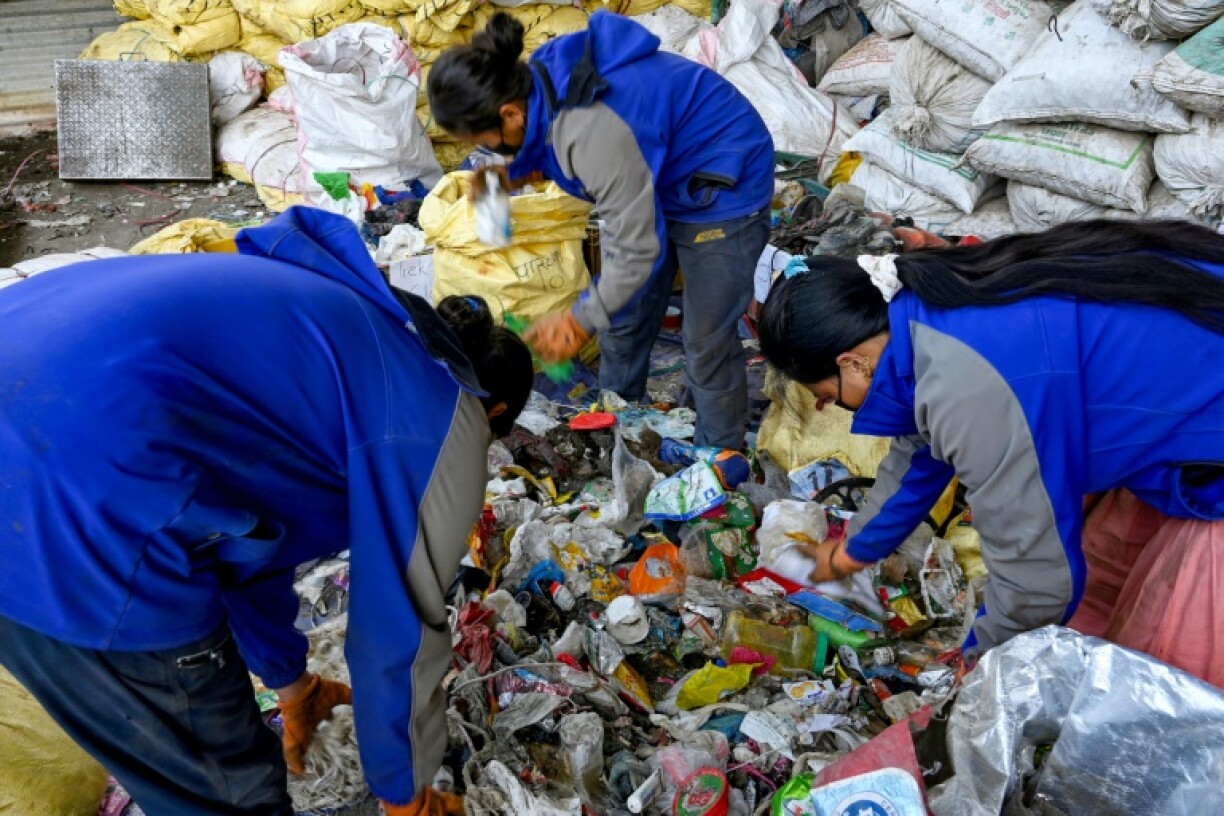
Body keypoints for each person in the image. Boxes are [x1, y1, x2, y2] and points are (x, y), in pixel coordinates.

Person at [0, 207, 533, 815]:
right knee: (229, 792)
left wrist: (291, 681)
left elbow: (246, 539)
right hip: (71, 500)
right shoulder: (441, 417)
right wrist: (407, 793)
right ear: (493, 415)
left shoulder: (347, 322)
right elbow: (397, 635)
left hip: (36, 401)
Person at [757, 219, 1224, 681]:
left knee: (1163, 668)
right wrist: (853, 550)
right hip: (1193, 377)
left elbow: (1038, 580)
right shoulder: (924, 311)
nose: (828, 404)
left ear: (853, 363)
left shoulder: (968, 389)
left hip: (1208, 428)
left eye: (828, 394)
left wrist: (981, 662)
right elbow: (919, 452)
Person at [427, 11, 775, 449]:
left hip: (722, 183)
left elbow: (635, 248)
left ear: (510, 113)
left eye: (485, 140)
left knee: (705, 339)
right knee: (623, 315)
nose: (484, 151)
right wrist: (518, 171)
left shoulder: (590, 130)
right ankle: (618, 422)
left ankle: (718, 457)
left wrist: (577, 321)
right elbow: (554, 142)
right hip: (655, 173)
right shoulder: (539, 88)